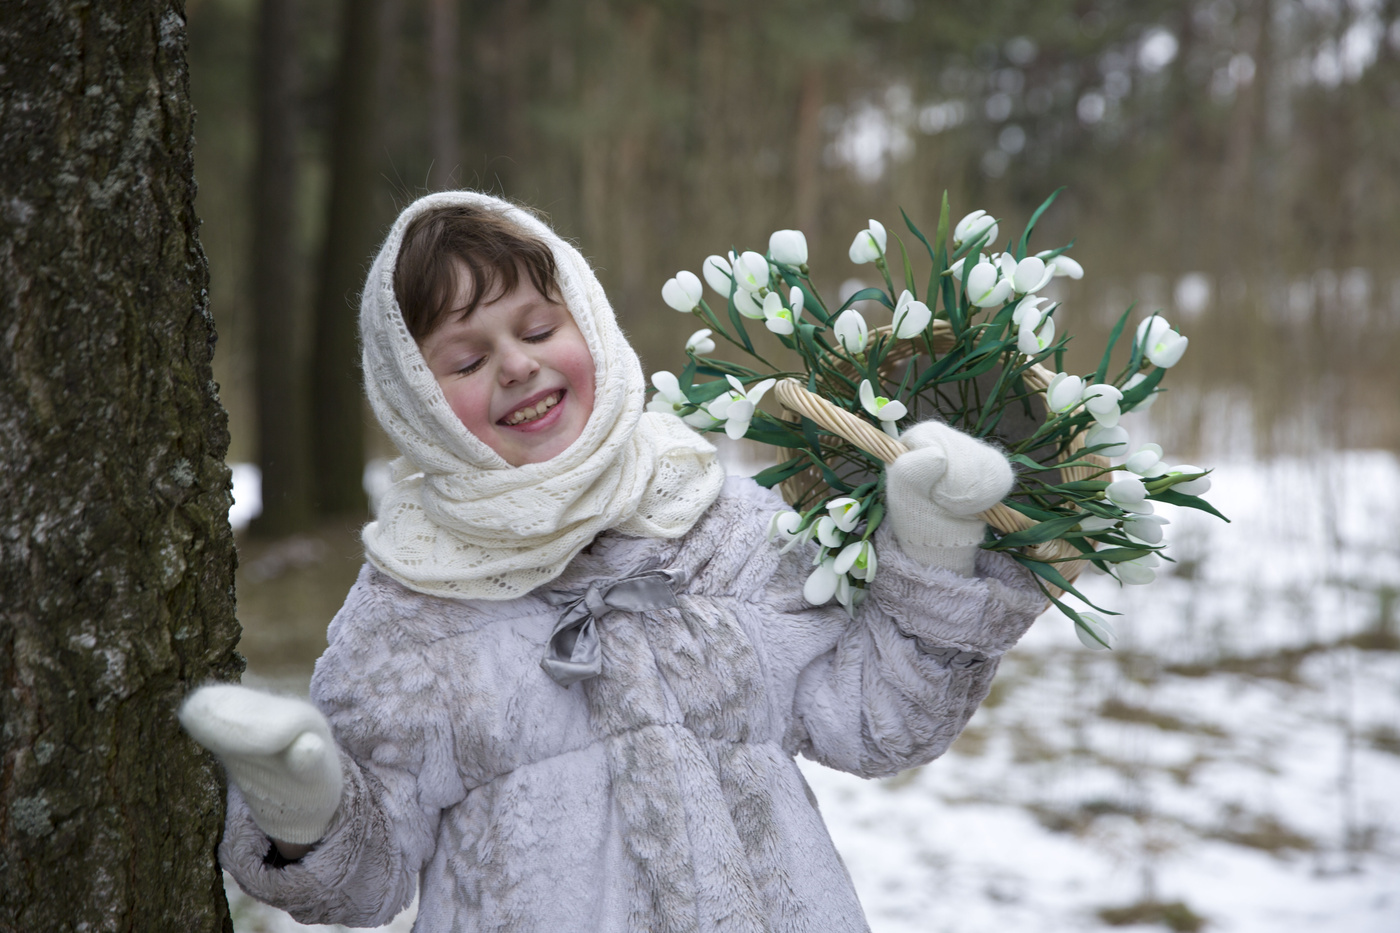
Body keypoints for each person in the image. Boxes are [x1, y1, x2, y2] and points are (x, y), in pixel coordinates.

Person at [179, 190, 1045, 932]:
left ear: (586, 320)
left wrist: (932, 546)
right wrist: (304, 807)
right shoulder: (410, 609)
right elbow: (367, 878)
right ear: (415, 403)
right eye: (469, 359)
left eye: (538, 327)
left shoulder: (710, 518)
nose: (517, 366)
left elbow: (877, 716)